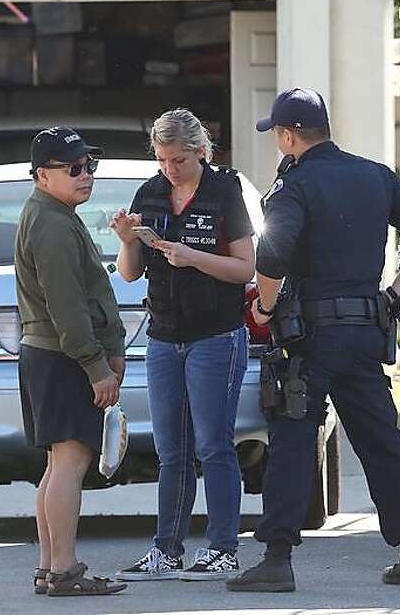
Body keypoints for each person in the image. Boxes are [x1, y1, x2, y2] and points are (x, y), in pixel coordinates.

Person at [226, 88, 400, 593]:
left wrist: (264, 307)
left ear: (288, 136)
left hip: (311, 338)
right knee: (382, 441)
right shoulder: (374, 175)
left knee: (293, 440)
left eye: (278, 135)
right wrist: (396, 292)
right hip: (365, 332)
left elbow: (272, 256)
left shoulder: (294, 185)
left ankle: (276, 560)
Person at [110, 108, 256, 582]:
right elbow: (130, 273)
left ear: (201, 151)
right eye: (162, 160)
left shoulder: (224, 191)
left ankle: (222, 548)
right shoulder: (150, 193)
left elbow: (245, 268)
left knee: (214, 445)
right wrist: (128, 240)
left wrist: (193, 257)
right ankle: (166, 549)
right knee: (171, 451)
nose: (170, 169)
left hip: (216, 334)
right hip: (164, 336)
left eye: (179, 160)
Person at [15, 127, 128, 597]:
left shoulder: (53, 213)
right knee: (70, 462)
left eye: (89, 166)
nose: (86, 176)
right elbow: (67, 307)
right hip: (61, 357)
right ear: (43, 175)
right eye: (74, 168)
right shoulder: (53, 224)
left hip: (49, 353)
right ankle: (64, 570)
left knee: (57, 463)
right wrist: (96, 367)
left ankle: (50, 567)